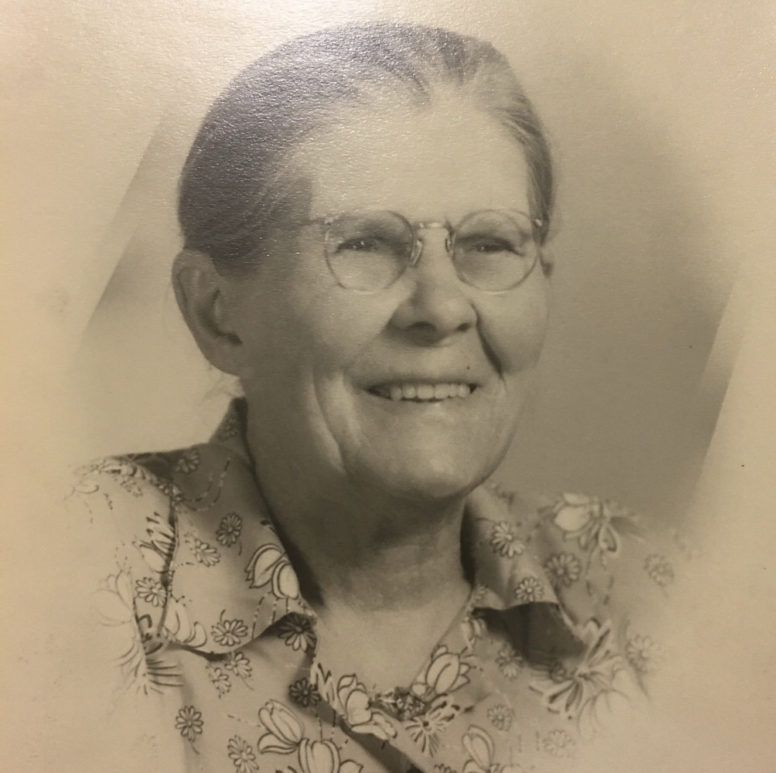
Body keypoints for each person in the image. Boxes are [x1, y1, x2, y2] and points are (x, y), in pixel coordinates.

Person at [70, 22, 678, 773]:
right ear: (217, 313)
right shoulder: (67, 570)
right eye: (362, 242)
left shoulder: (651, 589)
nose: (442, 308)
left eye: (489, 244)